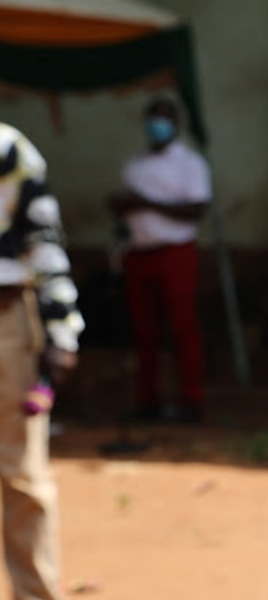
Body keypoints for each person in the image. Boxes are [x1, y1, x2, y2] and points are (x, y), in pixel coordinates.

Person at [0, 123, 84, 600]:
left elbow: (45, 239)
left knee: (22, 475)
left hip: (8, 323)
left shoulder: (8, 149)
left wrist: (61, 329)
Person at [109, 98, 209, 423]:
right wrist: (123, 207)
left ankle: (191, 401)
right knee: (143, 332)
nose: (158, 126)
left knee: (183, 329)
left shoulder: (190, 164)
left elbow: (196, 208)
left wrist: (147, 203)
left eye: (164, 119)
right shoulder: (134, 165)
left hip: (176, 253)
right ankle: (147, 401)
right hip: (138, 253)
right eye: (153, 119)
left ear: (176, 124)